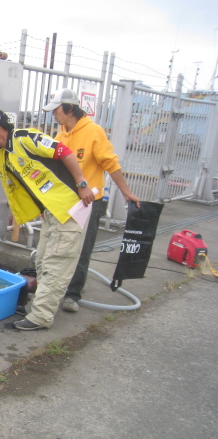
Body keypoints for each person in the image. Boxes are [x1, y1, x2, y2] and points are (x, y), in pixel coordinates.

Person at [0, 109, 94, 331]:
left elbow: (63, 151)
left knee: (56, 265)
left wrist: (82, 183)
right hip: (52, 213)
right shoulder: (3, 155)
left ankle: (41, 317)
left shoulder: (25, 138)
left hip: (68, 209)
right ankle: (38, 309)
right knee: (43, 262)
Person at [42, 88, 140, 312]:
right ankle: (55, 288)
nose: (54, 114)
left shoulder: (93, 131)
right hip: (65, 202)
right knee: (60, 248)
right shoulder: (60, 135)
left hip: (89, 202)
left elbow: (110, 163)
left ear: (69, 109)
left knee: (82, 250)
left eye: (56, 110)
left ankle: (73, 295)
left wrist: (126, 192)